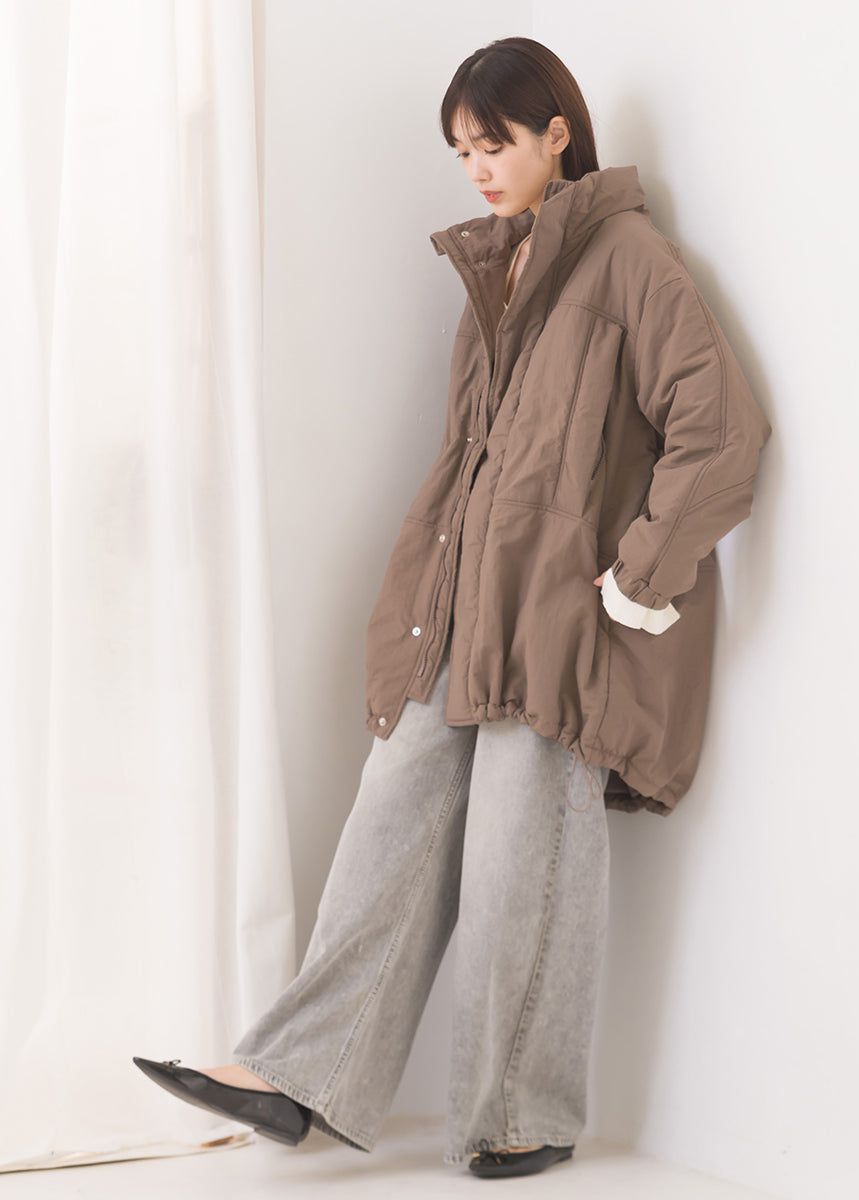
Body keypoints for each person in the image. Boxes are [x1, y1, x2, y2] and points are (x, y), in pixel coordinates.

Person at [133, 35, 771, 1180]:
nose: (476, 169)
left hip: (563, 626)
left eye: (494, 143)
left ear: (556, 134)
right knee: (388, 820)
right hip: (466, 608)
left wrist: (637, 576)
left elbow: (721, 431)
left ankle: (522, 1110)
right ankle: (300, 1074)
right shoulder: (496, 273)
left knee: (525, 858)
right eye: (461, 151)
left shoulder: (629, 259)